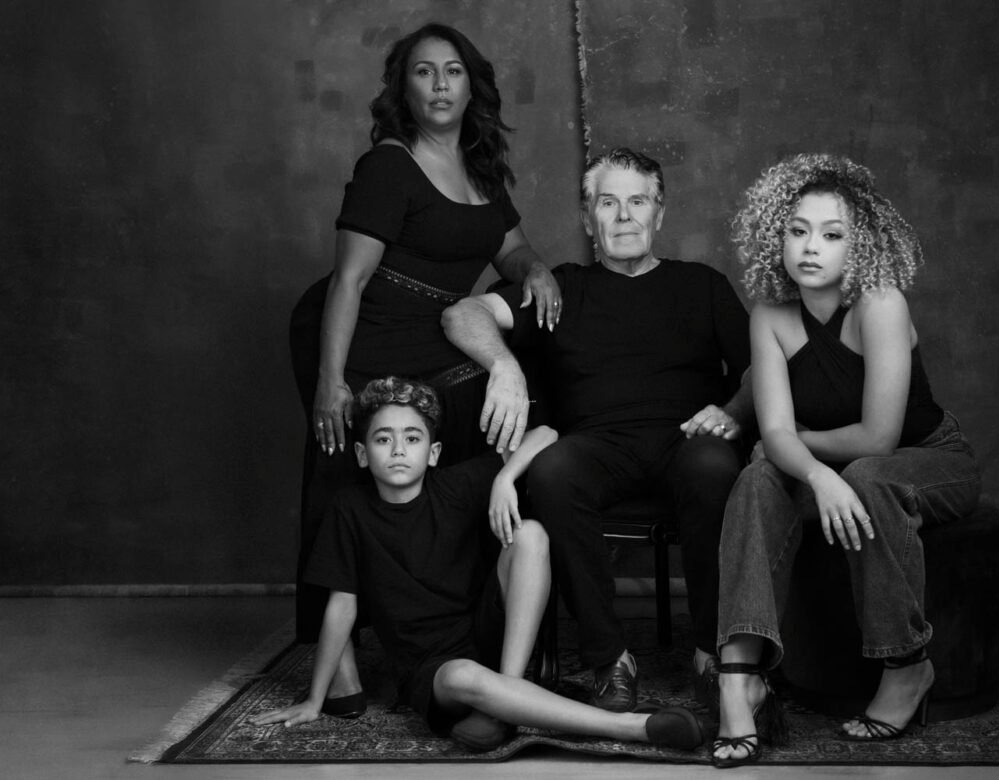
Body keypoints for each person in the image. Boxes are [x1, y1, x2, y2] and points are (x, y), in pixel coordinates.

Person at [288, 22, 563, 688]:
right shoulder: (389, 165)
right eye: (424, 72)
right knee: (345, 466)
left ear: (472, 87)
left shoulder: (482, 169)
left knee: (496, 420)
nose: (440, 85)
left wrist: (536, 270)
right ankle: (338, 663)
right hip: (362, 330)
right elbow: (349, 280)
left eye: (453, 71)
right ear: (403, 90)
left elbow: (511, 248)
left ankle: (470, 615)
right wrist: (331, 381)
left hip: (432, 335)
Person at [441, 148, 752, 714]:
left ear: (660, 213)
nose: (625, 216)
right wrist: (504, 365)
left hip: (687, 436)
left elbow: (760, 369)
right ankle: (610, 660)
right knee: (554, 472)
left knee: (714, 466)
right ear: (589, 220)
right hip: (595, 444)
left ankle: (712, 654)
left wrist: (733, 410)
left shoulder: (702, 285)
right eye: (608, 203)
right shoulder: (562, 288)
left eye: (638, 202)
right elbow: (462, 314)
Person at [254, 378, 705, 754]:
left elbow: (546, 434)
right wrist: (315, 698)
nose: (398, 450)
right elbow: (342, 606)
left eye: (412, 439)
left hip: (486, 634)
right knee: (463, 675)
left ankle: (505, 694)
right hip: (433, 667)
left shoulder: (454, 485)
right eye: (383, 439)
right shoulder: (349, 509)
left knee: (531, 533)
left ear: (433, 452)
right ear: (361, 453)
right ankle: (636, 727)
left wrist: (506, 477)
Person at [710, 154, 982, 767]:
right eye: (797, 230)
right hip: (837, 466)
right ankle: (739, 677)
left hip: (929, 457)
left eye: (832, 235)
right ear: (775, 235)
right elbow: (772, 435)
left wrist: (800, 450)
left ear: (859, 246)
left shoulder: (880, 303)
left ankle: (907, 665)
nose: (811, 247)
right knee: (756, 478)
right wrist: (812, 473)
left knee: (866, 475)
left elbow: (879, 438)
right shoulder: (770, 315)